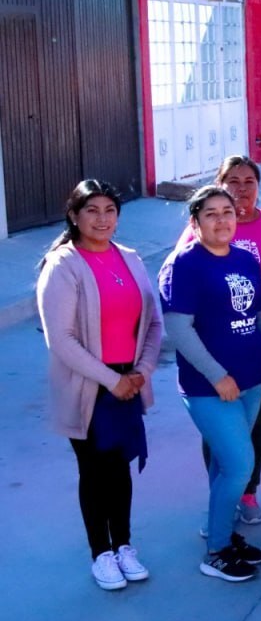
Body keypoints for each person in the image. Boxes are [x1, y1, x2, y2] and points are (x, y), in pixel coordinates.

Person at [37, 180, 165, 591]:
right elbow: (61, 340)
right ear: (74, 215)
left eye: (110, 209)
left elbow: (153, 323)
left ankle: (124, 545)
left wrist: (141, 371)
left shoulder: (129, 258)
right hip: (89, 385)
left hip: (128, 380)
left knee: (120, 466)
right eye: (92, 210)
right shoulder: (63, 265)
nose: (102, 219)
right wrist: (112, 380)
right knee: (95, 470)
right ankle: (101, 553)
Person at [159, 186, 261, 582]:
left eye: (227, 211)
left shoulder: (244, 259)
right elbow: (179, 328)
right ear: (195, 223)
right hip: (208, 388)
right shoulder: (185, 265)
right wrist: (217, 376)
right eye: (210, 214)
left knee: (225, 465)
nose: (222, 220)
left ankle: (219, 529)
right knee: (240, 463)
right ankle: (216, 553)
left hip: (251, 381)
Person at [176, 155, 261, 526]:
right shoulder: (199, 236)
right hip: (214, 347)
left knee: (258, 421)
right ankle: (220, 504)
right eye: (233, 180)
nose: (242, 188)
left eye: (249, 181)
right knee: (221, 430)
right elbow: (180, 289)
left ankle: (247, 491)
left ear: (259, 187)